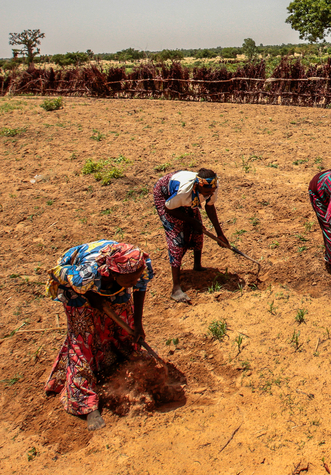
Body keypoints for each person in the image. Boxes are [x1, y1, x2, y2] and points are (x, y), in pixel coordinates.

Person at [44, 240, 154, 431]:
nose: (134, 283)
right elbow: (56, 273)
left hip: (106, 284)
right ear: (113, 273)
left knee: (123, 328)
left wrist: (138, 325)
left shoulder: (138, 265)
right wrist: (90, 295)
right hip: (75, 288)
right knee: (83, 340)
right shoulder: (85, 276)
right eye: (129, 281)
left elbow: (139, 288)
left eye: (135, 279)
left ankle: (118, 365)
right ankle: (85, 403)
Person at [153, 168, 229, 303]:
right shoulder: (183, 193)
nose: (209, 195)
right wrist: (192, 221)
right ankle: (176, 288)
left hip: (185, 196)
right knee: (177, 239)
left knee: (197, 229)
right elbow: (168, 208)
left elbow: (210, 207)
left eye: (211, 192)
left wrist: (220, 234)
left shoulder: (212, 186)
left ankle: (197, 266)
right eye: (206, 192)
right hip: (166, 196)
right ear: (197, 186)